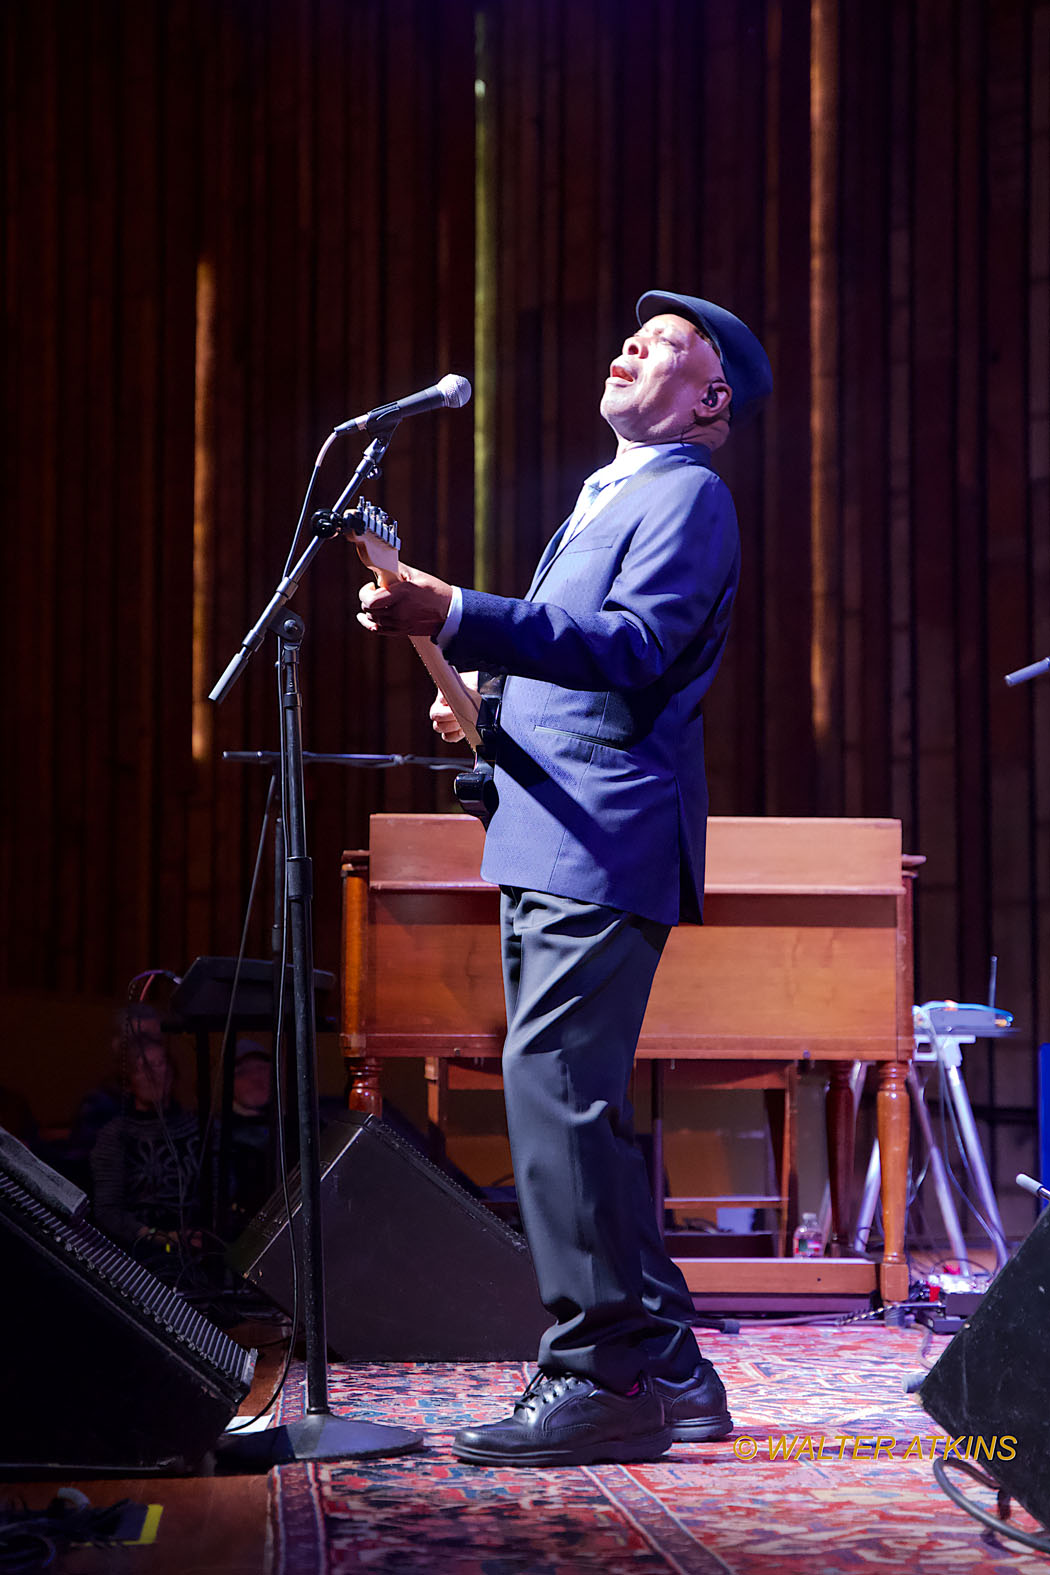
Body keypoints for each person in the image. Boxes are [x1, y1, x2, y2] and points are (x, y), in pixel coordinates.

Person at [357, 289, 772, 1467]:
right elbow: (577, 664)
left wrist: (462, 612)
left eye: (670, 345)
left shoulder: (689, 494)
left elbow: (637, 650)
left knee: (558, 1098)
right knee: (568, 1104)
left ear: (709, 402)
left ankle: (602, 1377)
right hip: (556, 825)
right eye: (634, 334)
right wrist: (484, 704)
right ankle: (676, 1372)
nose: (635, 344)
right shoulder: (612, 494)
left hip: (602, 833)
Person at [90, 1013, 202, 1274]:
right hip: (136, 1255)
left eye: (160, 1064)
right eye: (143, 1068)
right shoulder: (115, 1135)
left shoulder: (198, 1127)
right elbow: (107, 1210)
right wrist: (157, 1236)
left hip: (196, 1249)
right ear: (128, 1082)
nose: (154, 1075)